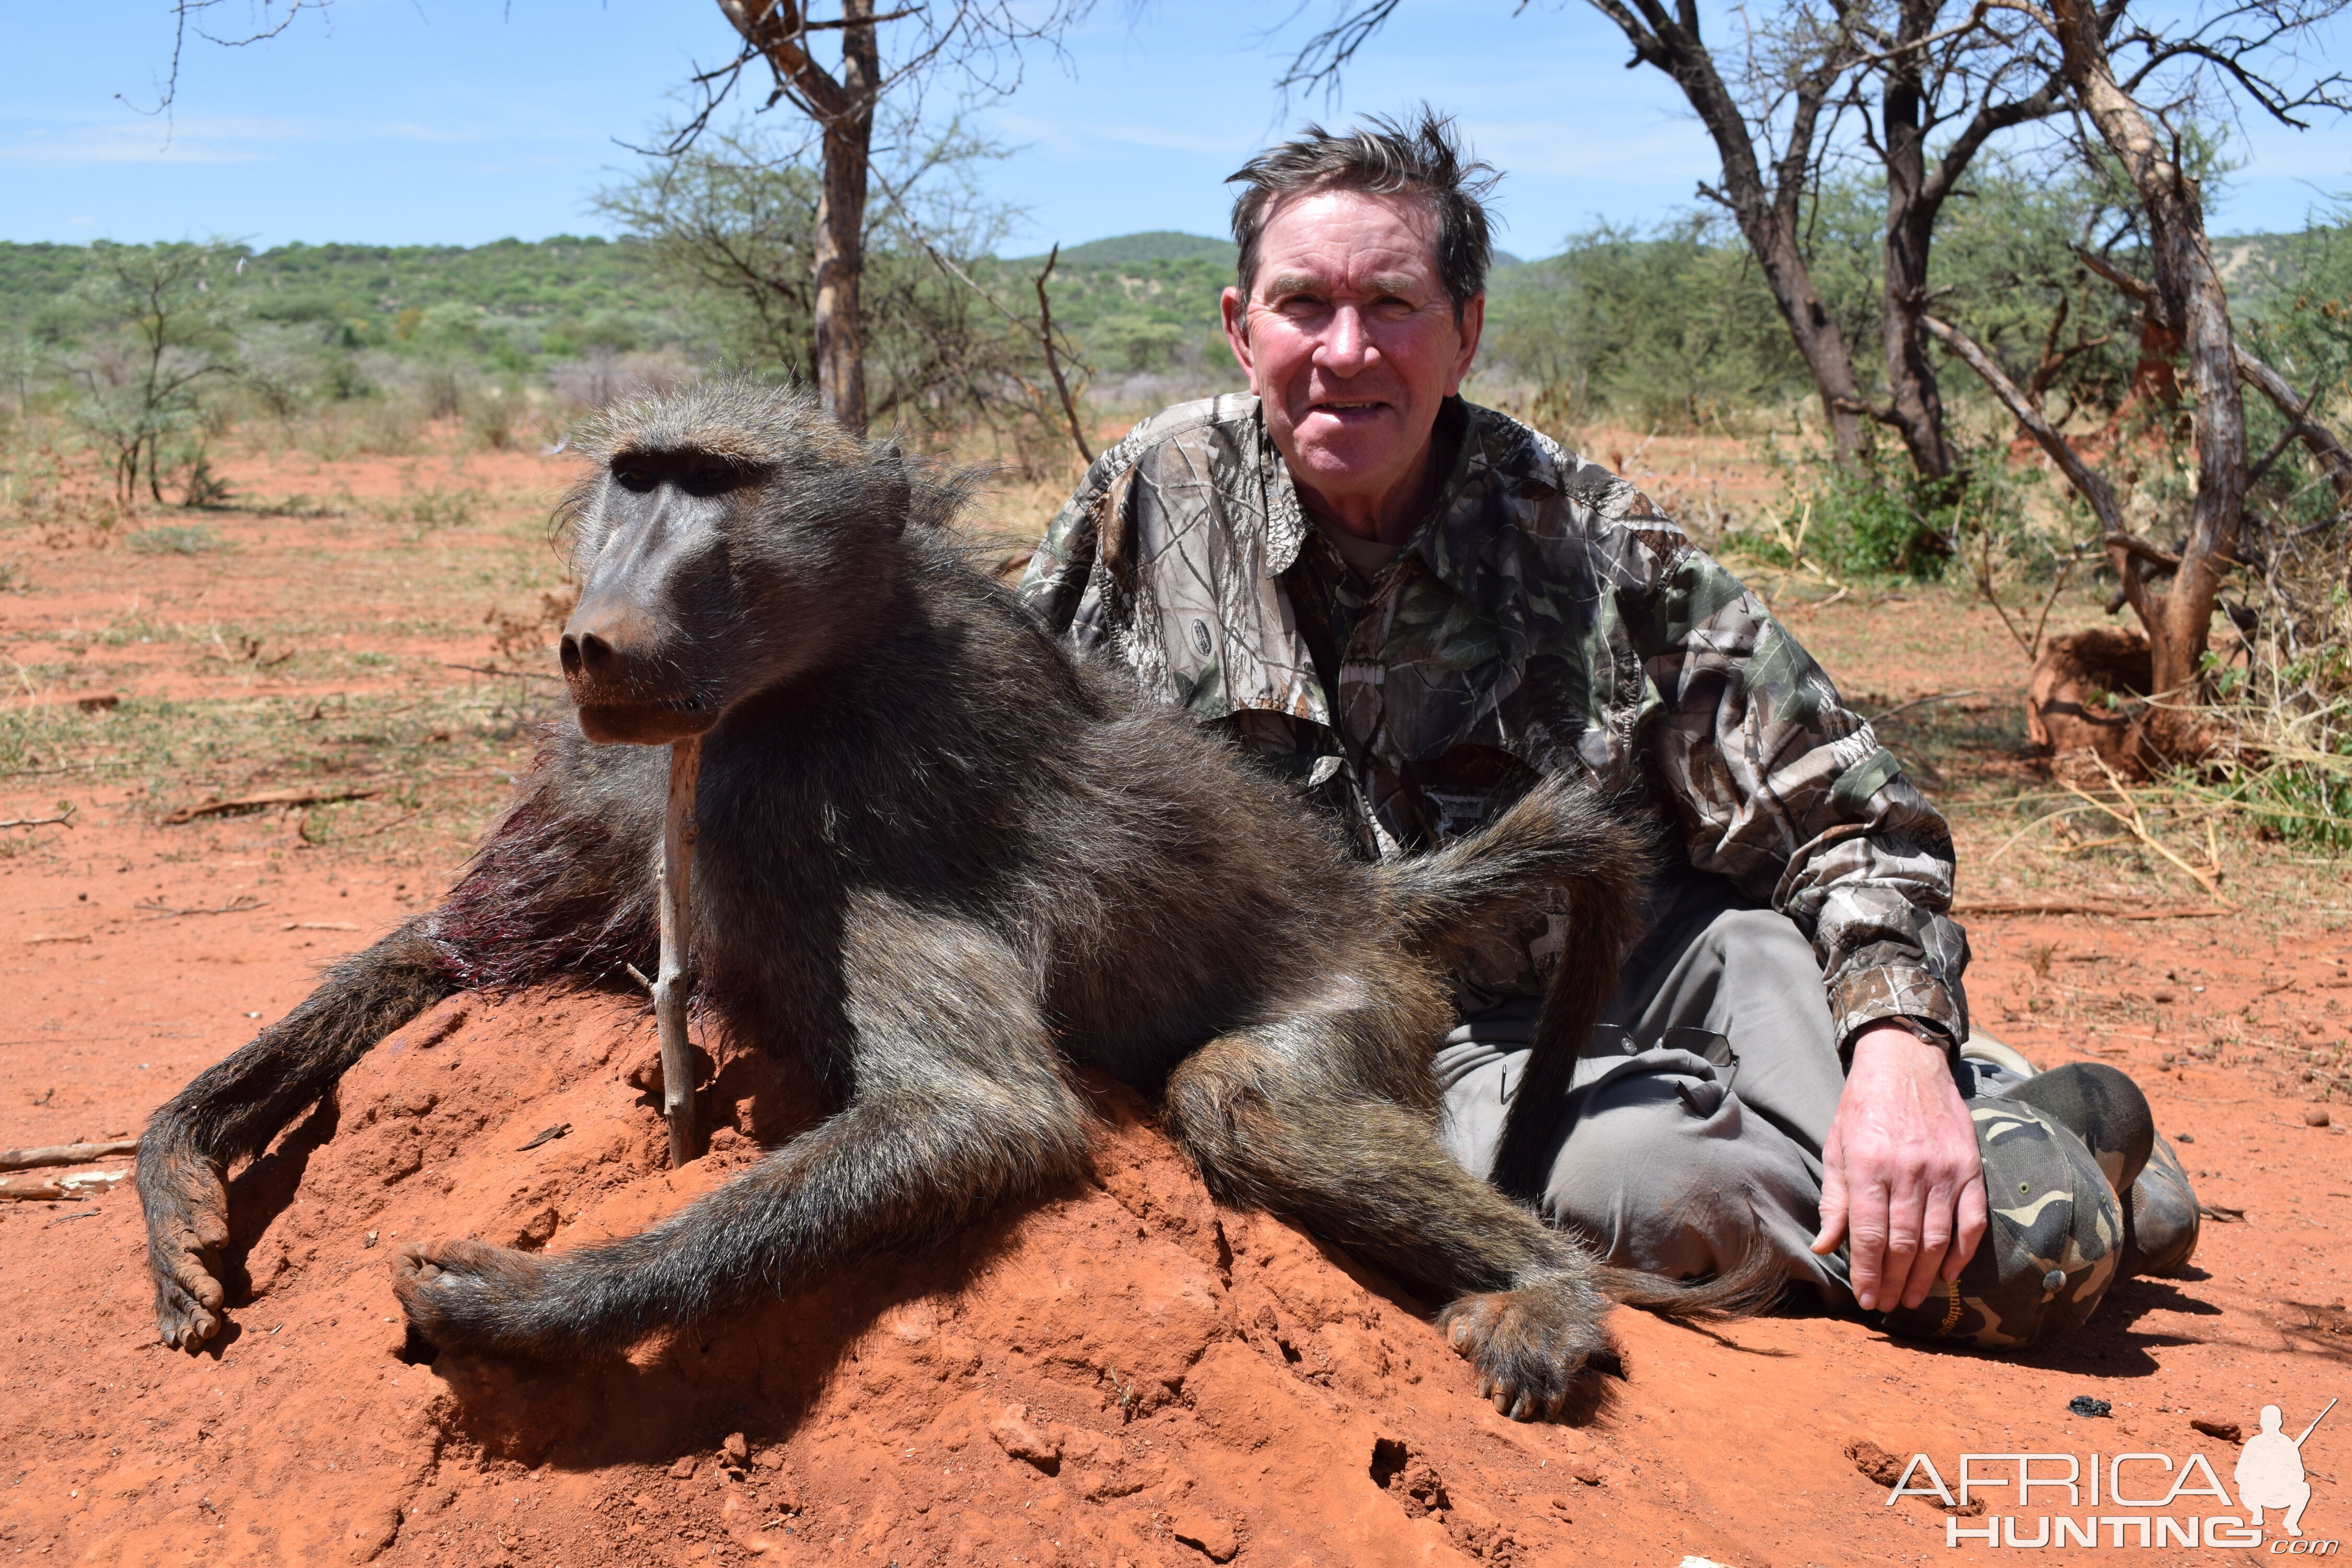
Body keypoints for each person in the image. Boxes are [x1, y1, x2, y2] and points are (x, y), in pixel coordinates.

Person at [1017, 109, 2199, 1349]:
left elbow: (1852, 812)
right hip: (1415, 1045)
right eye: (1303, 304)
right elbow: (979, 733)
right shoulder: (1144, 503)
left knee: (2022, 1248)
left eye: (1396, 306)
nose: (1346, 349)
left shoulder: (1587, 531)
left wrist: (1900, 1046)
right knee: (1654, 1200)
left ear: (1467, 330)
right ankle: (2023, 1145)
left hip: (1671, 954)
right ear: (1239, 325)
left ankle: (1963, 1110)